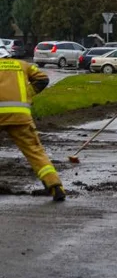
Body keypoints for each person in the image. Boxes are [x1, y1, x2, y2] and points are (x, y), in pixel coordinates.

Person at [0, 46, 65, 201]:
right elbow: (43, 79)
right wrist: (27, 95)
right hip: (21, 117)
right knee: (35, 151)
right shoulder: (22, 65)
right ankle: (55, 187)